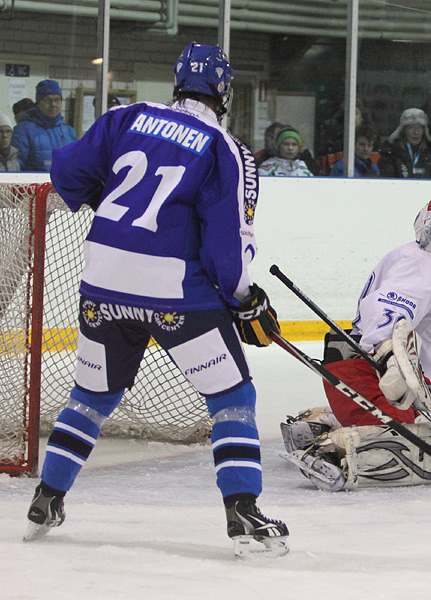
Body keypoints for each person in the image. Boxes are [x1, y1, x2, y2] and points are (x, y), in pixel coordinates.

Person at [24, 42, 289, 559]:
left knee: (91, 398)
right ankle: (243, 513)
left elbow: (67, 174)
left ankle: (47, 497)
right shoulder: (224, 147)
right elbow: (226, 240)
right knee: (231, 398)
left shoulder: (124, 118)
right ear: (223, 90)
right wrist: (242, 298)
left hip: (102, 283)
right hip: (175, 296)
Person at [280, 201, 431, 492]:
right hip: (366, 372)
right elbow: (387, 311)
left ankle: (324, 421)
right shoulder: (422, 264)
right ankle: (324, 444)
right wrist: (389, 353)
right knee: (410, 448)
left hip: (378, 375)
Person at [10, 80, 77, 172]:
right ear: (38, 103)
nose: (53, 104)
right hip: (36, 185)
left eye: (57, 100)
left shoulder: (69, 132)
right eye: (48, 100)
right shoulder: (23, 131)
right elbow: (15, 168)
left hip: (64, 185)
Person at [378, 108, 431, 179]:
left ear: (424, 131)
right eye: (411, 127)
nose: (416, 132)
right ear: (403, 130)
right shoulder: (391, 155)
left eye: (419, 128)